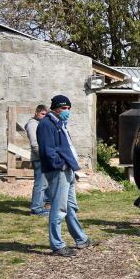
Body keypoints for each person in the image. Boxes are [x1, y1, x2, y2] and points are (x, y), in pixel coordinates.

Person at [37, 95, 90, 256]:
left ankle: (81, 239)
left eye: (68, 108)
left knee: (71, 207)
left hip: (68, 170)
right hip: (59, 171)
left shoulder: (60, 123)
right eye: (64, 108)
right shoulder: (47, 124)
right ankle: (57, 245)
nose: (67, 111)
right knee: (59, 208)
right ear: (55, 108)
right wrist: (60, 165)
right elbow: (48, 150)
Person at [25, 104, 50, 215]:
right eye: (42, 114)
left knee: (46, 183)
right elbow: (35, 144)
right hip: (39, 158)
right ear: (36, 113)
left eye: (46, 114)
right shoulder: (32, 124)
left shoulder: (40, 123)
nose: (44, 116)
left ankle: (43, 204)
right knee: (40, 183)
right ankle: (36, 209)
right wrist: (43, 156)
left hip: (45, 157)